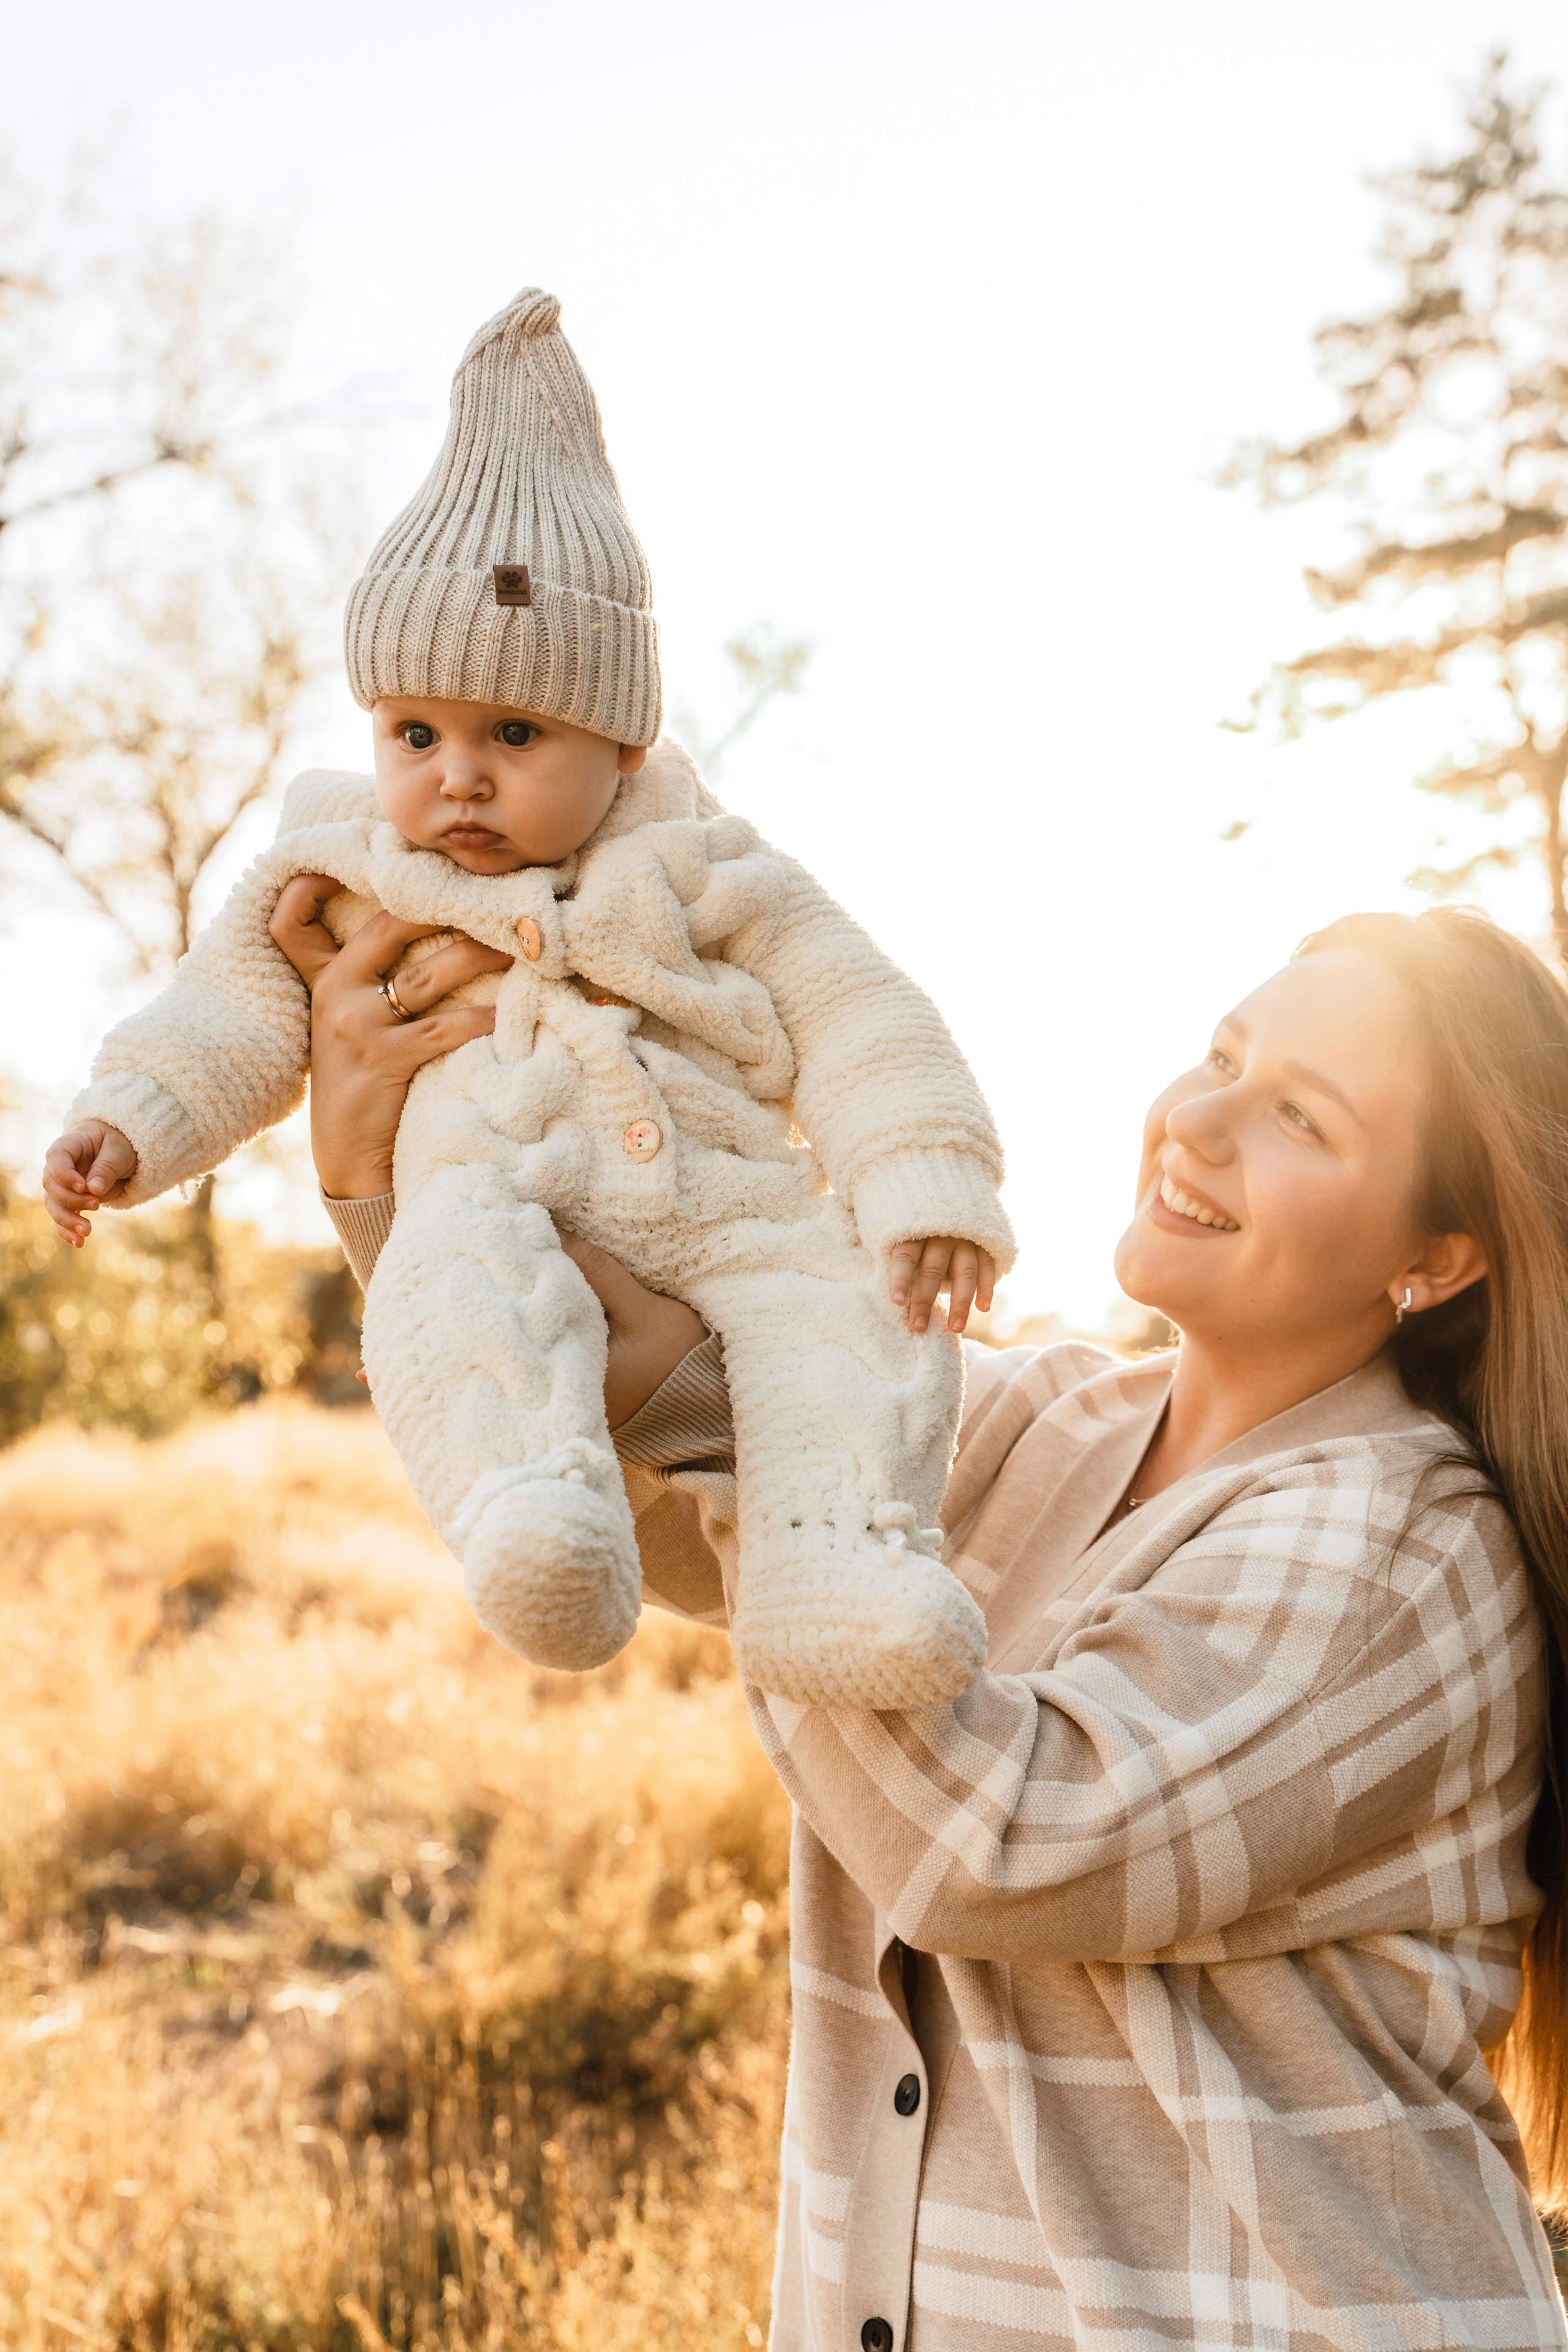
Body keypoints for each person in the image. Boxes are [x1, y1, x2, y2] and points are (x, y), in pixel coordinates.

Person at [260, 896, 1568, 2349]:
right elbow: (653, 1488)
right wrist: (398, 1174)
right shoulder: (1040, 1421)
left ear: (1436, 1258)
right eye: (1220, 1056)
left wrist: (754, 1434)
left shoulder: (1400, 1544)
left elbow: (994, 1847)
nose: (1198, 1125)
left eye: (1301, 1121)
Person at [39, 285, 1014, 1713]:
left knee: (848, 1331)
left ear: (622, 744)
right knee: (452, 1286)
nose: (456, 776)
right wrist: (132, 1119)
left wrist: (924, 1181)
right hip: (495, 1191)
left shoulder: (710, 870)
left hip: (735, 1209)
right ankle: (531, 1508)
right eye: (413, 733)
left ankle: (842, 1570)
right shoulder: (334, 865)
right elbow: (229, 1013)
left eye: (515, 733)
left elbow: (860, 1012)